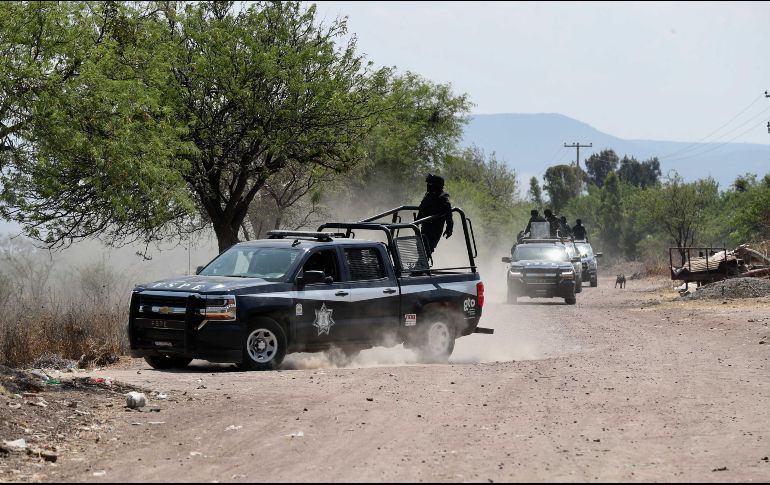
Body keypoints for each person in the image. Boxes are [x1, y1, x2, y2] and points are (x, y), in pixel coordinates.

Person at [417, 173, 453, 254]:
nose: (428, 185)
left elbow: (449, 214)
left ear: (436, 185)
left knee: (427, 249)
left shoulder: (444, 197)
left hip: (434, 230)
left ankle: (422, 265)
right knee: (420, 249)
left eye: (430, 184)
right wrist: (416, 222)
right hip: (425, 228)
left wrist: (449, 228)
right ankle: (421, 265)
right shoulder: (428, 195)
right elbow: (422, 209)